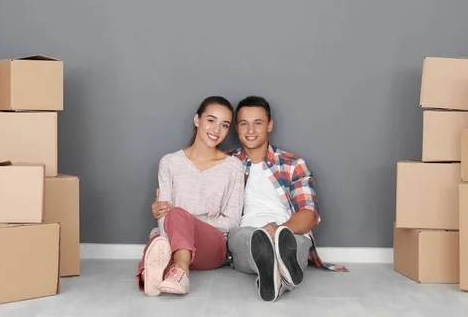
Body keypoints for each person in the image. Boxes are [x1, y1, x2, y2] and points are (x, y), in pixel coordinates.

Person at [226, 96, 348, 302]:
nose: (250, 130)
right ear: (237, 128)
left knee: (294, 244)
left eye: (258, 123)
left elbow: (309, 215)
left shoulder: (293, 164)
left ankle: (273, 272)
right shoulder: (225, 163)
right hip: (247, 232)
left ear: (270, 125)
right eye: (243, 124)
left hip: (288, 230)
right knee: (244, 239)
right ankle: (279, 274)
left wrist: (280, 230)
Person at [137, 96, 245, 297]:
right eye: (211, 120)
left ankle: (180, 271)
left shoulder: (233, 167)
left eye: (224, 125)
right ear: (197, 120)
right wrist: (178, 230)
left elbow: (232, 222)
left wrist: (188, 224)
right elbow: (163, 215)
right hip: (173, 237)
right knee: (159, 237)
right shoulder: (169, 163)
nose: (216, 130)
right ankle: (151, 277)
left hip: (212, 247)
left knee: (176, 216)